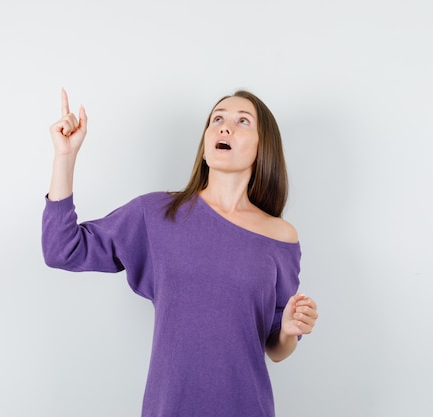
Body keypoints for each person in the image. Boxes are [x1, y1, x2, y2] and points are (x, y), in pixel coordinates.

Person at [42, 88, 319, 417]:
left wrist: (288, 329)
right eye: (217, 119)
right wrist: (65, 158)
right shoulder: (157, 214)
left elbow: (275, 347)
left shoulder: (280, 236)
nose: (224, 126)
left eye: (242, 121)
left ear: (262, 149)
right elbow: (61, 249)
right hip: (169, 408)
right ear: (205, 146)